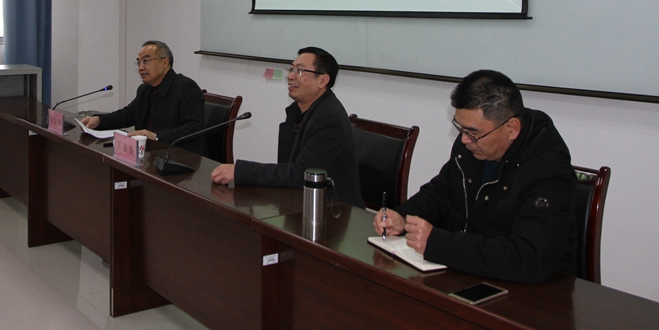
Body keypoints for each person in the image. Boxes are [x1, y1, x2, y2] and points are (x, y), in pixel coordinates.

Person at [374, 69, 576, 283]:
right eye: (460, 128)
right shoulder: (472, 147)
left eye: (472, 132)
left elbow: (529, 258)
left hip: (536, 293)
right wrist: (403, 217)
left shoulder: (549, 171)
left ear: (512, 128)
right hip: (473, 273)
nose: (464, 139)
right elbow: (441, 193)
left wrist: (439, 245)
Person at [211, 47, 364, 207]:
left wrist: (240, 171)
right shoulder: (298, 111)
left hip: (335, 210)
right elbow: (288, 168)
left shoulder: (329, 118)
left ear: (322, 80)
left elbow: (301, 174)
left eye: (299, 70)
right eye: (291, 69)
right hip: (303, 202)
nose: (290, 76)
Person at [81, 41, 207, 156]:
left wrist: (156, 136)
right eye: (139, 62)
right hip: (149, 155)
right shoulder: (145, 89)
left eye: (146, 61)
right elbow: (128, 115)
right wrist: (99, 120)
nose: (140, 67)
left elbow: (194, 127)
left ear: (164, 62)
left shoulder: (185, 87)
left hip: (181, 158)